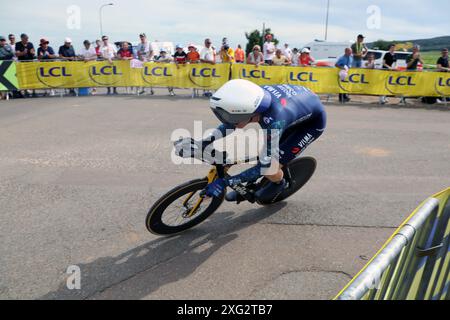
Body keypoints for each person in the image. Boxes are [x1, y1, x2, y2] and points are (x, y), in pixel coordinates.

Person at [175, 79, 327, 203]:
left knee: (270, 168)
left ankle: (280, 183)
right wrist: (203, 142)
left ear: (252, 113)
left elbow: (263, 166)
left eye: (231, 118)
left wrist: (226, 182)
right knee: (266, 154)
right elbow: (230, 125)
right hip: (295, 108)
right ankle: (250, 186)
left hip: (311, 124)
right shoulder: (254, 97)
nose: (229, 122)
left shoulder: (274, 122)